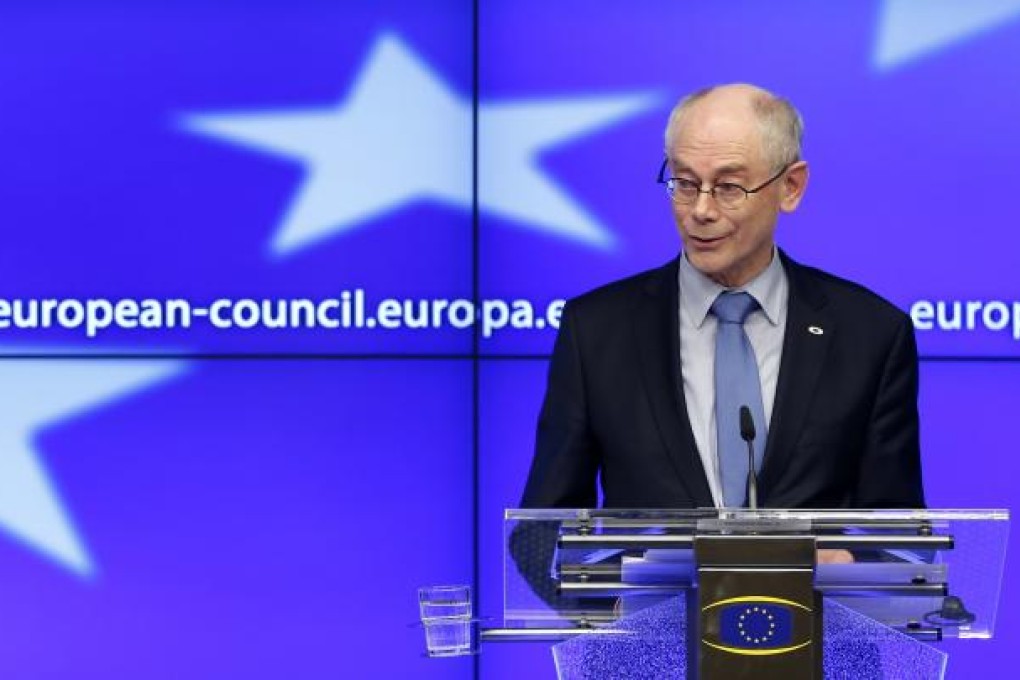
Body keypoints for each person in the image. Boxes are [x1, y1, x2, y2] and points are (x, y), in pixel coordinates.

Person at [519, 83, 924, 514]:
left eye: (729, 187)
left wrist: (844, 553)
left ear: (791, 186)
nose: (701, 210)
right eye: (685, 183)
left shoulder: (871, 335)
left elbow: (899, 531)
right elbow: (541, 530)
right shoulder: (596, 332)